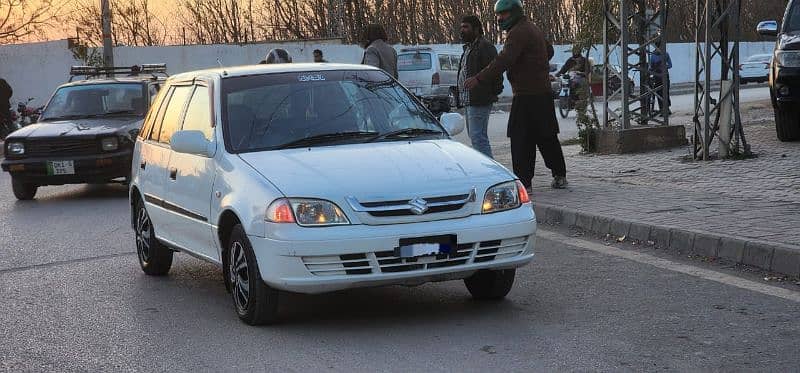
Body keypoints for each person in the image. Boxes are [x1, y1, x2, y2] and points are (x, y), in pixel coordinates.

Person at [465, 0, 568, 190]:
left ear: (513, 13)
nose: (499, 19)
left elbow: (504, 59)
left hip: (527, 94)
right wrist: (537, 64)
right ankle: (559, 174)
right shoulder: (532, 28)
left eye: (502, 15)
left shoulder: (518, 32)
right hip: (541, 92)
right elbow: (549, 50)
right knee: (546, 135)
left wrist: (478, 78)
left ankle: (524, 182)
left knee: (521, 138)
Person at [456, 15, 503, 158]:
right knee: (475, 137)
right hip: (470, 100)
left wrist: (490, 93)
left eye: (466, 27)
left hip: (479, 99)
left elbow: (496, 71)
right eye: (461, 27)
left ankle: (490, 172)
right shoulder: (469, 48)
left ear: (476, 29)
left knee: (478, 137)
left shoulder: (485, 47)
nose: (462, 30)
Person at [649, 47, 672, 114]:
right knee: (659, 93)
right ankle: (662, 109)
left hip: (664, 76)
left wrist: (662, 66)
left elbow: (670, 65)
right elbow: (651, 67)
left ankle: (666, 108)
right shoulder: (653, 55)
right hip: (658, 77)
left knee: (665, 93)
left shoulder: (665, 54)